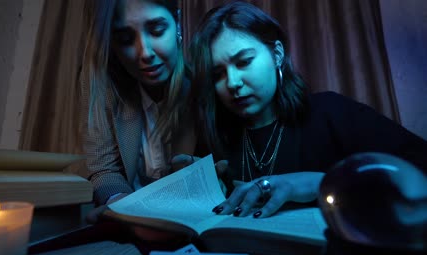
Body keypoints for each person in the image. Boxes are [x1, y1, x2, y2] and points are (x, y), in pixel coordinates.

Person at [188, 1, 427, 219]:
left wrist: (322, 183)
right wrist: (192, 190)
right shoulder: (216, 137)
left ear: (277, 54)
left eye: (244, 62)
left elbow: (418, 169)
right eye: (217, 74)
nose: (232, 82)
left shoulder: (332, 113)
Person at [82, 0, 198, 223]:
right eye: (126, 39)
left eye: (156, 30)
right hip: (128, 227)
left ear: (178, 27)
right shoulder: (101, 85)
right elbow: (102, 168)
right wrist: (122, 205)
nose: (144, 53)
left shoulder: (205, 79)